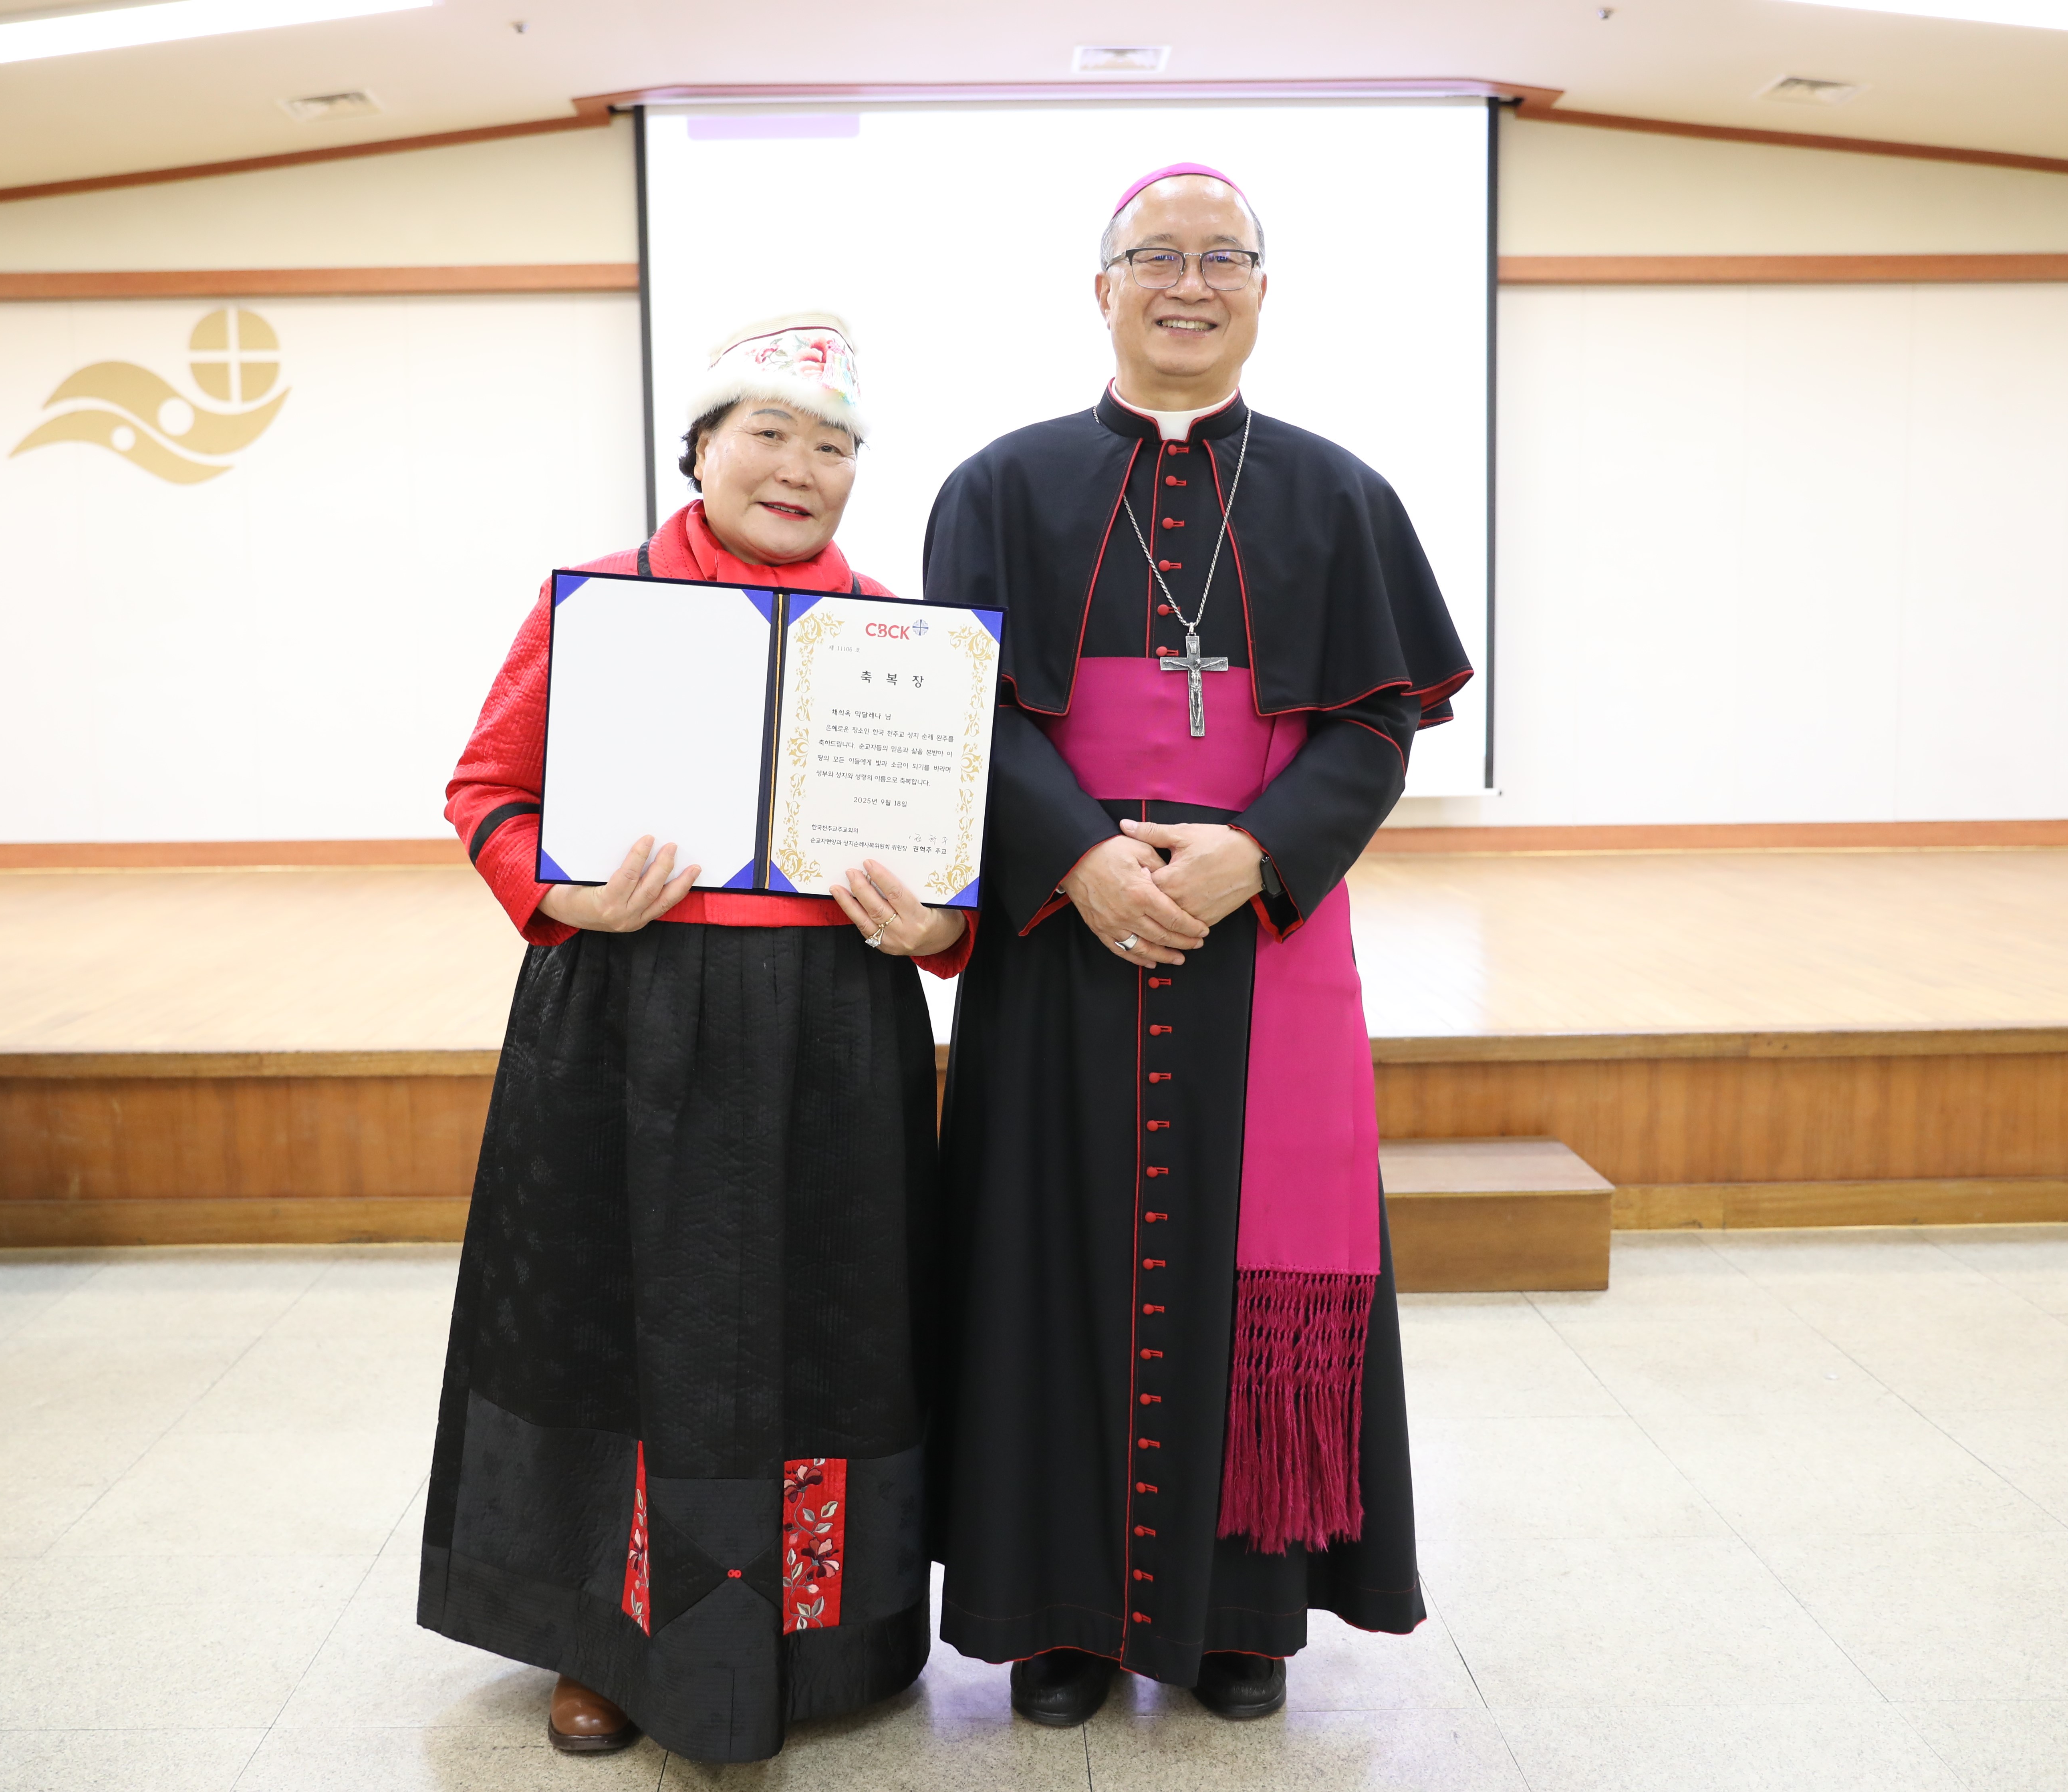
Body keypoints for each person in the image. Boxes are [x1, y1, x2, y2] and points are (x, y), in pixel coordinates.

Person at [923, 168, 1470, 1725]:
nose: (1188, 280)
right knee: (1045, 1254)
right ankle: (1056, 1615)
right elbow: (971, 711)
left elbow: (1373, 728)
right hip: (1061, 936)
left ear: (1260, 290)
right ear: (1098, 288)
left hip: (1260, 945)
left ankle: (1245, 1611)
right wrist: (1080, 858)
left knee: (1255, 1267)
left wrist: (1256, 855)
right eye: (1153, 256)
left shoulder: (1340, 495)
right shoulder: (1000, 487)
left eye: (1220, 256)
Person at [419, 314, 972, 1764]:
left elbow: (957, 864)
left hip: (835, 1024)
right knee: (613, 1322)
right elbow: (486, 787)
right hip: (628, 1010)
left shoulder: (896, 642)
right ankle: (605, 1634)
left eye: (833, 445)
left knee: (830, 1321)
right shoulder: (602, 600)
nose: (800, 468)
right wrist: (568, 892)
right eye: (770, 435)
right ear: (704, 449)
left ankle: (820, 1626)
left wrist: (940, 933)